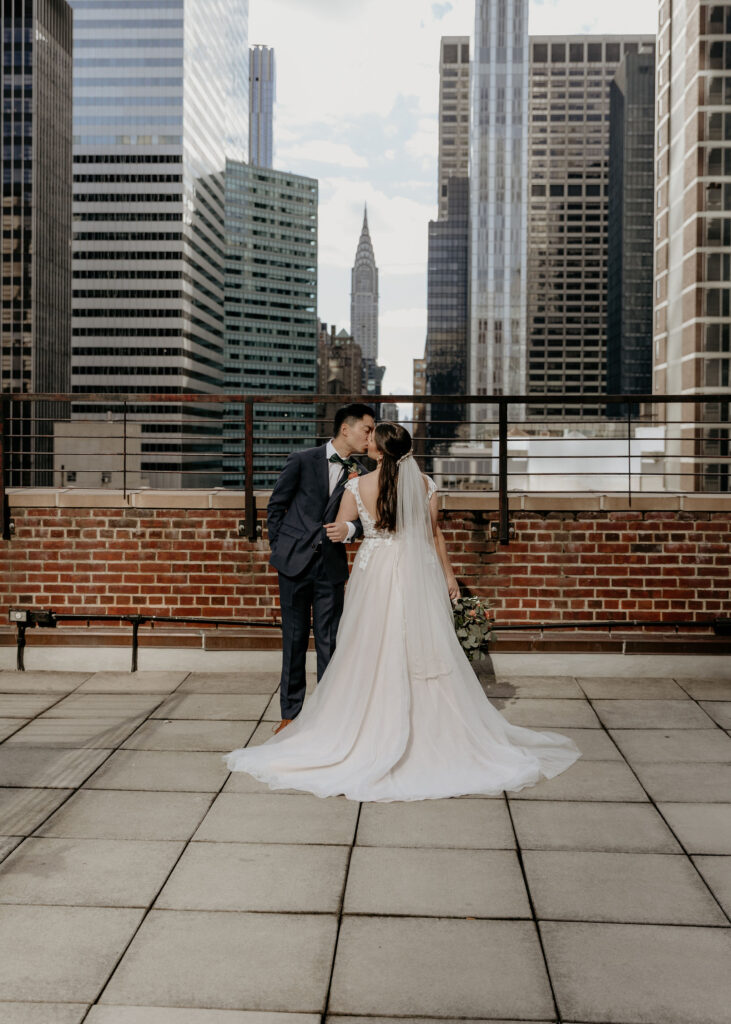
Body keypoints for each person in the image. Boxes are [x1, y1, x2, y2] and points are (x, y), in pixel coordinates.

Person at [227, 422, 581, 801]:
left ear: (378, 451)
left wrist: (344, 531)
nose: (367, 442)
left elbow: (346, 526)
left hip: (376, 571)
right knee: (419, 642)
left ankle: (363, 723)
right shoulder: (425, 484)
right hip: (417, 571)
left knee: (369, 643)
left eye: (371, 440)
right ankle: (433, 727)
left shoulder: (357, 484)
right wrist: (449, 576)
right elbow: (432, 535)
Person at [266, 402, 375, 733]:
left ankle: (327, 716)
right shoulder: (302, 460)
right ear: (346, 428)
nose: (371, 437)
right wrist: (281, 548)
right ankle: (290, 714)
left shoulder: (364, 475)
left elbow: (371, 522)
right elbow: (276, 507)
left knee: (330, 641)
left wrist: (351, 530)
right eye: (367, 430)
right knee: (294, 639)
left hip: (331, 566)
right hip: (294, 563)